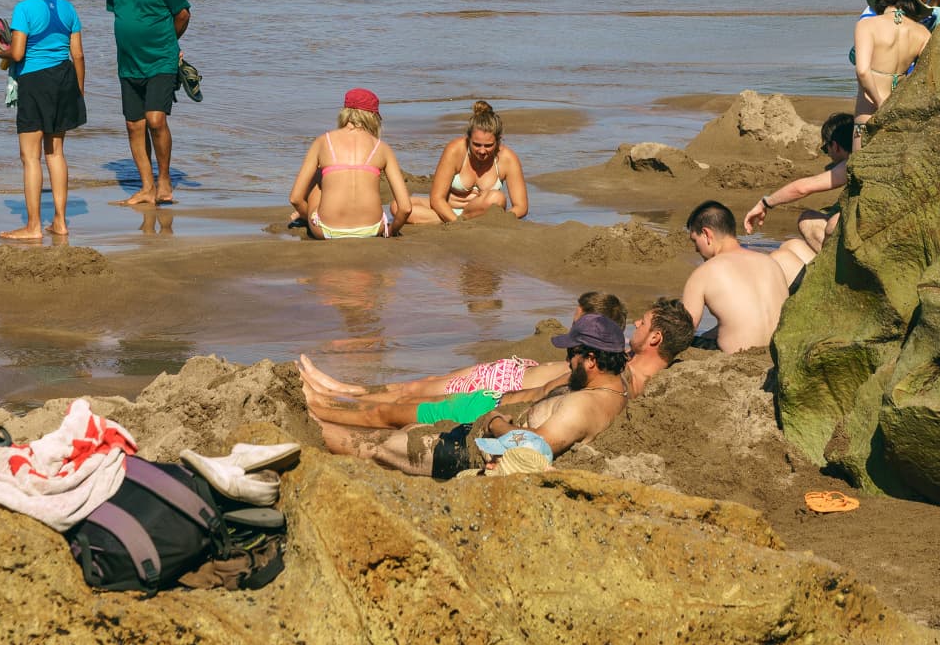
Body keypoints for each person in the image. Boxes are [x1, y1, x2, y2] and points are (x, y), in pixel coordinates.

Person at [312, 314, 632, 477]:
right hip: (477, 439)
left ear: (591, 360)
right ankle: (316, 419)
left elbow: (531, 449)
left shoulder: (581, 405)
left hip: (472, 453)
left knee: (376, 446)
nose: (567, 361)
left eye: (573, 355)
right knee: (395, 430)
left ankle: (309, 428)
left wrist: (493, 419)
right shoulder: (615, 388)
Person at [299, 295, 694, 427]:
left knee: (401, 406)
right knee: (407, 397)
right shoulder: (622, 365)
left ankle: (325, 407)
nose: (635, 327)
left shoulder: (617, 370)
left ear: (655, 338)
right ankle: (339, 395)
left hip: (500, 396)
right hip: (507, 390)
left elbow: (548, 393)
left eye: (642, 325)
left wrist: (503, 401)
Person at [0, 0, 88, 242]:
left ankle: (33, 225)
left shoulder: (23, 9)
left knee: (30, 157)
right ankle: (60, 222)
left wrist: (1, 50)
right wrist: (79, 92)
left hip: (35, 82)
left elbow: (18, 52)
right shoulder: (68, 8)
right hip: (64, 79)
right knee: (56, 153)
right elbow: (79, 55)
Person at [99, 0, 190, 206]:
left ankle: (164, 180)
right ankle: (146, 186)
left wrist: (168, 44)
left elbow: (183, 15)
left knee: (155, 120)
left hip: (161, 60)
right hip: (128, 62)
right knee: (133, 125)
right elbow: (123, 16)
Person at [288, 88, 416, 239]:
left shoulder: (323, 141)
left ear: (345, 112)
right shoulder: (382, 148)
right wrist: (392, 230)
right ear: (373, 116)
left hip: (327, 230)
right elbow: (405, 208)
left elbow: (295, 198)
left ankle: (311, 216)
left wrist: (307, 214)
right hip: (373, 228)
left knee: (319, 174)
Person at [681, 201, 792, 353]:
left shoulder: (704, 273)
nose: (695, 248)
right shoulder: (770, 263)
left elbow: (682, 332)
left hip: (740, 356)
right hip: (780, 352)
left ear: (707, 234)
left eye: (695, 240)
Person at [743, 112, 853, 253]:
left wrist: (764, 203)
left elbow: (802, 188)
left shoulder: (850, 164)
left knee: (808, 220)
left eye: (826, 149)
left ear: (835, 146)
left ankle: (834, 264)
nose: (829, 155)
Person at [409, 100, 529, 224]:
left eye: (488, 146)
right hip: (447, 211)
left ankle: (462, 220)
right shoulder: (455, 150)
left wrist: (499, 218)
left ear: (498, 141)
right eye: (476, 144)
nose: (482, 151)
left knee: (496, 198)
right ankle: (462, 221)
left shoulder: (508, 159)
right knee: (399, 207)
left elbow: (521, 207)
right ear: (468, 139)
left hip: (481, 212)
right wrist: (456, 222)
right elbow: (437, 198)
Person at [853, 0, 932, 127]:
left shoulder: (867, 25)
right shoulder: (923, 33)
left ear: (882, 0)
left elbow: (863, 71)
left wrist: (880, 102)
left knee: (862, 150)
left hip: (869, 109)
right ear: (913, 4)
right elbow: (925, 76)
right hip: (901, 106)